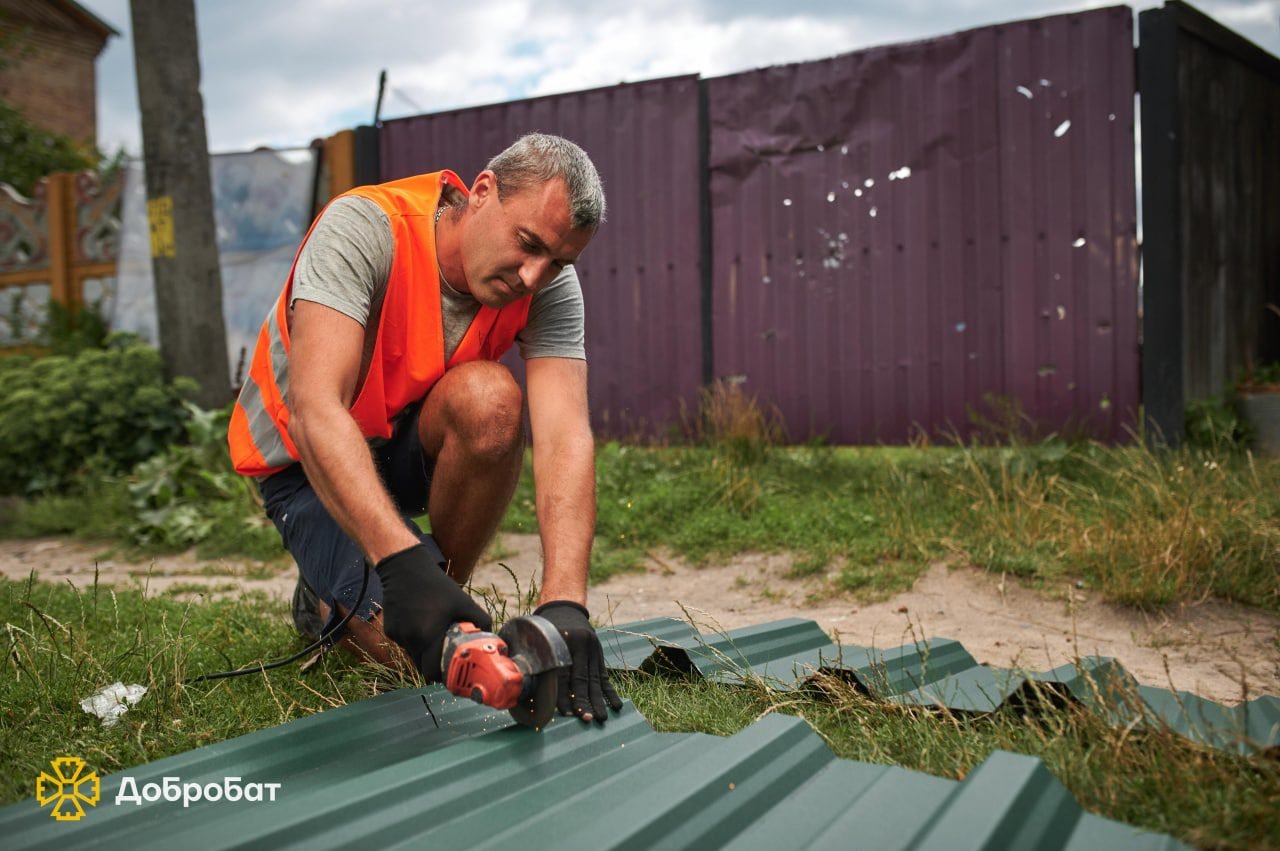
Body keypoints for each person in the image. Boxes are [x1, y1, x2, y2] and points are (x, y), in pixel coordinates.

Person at [227, 133, 622, 724]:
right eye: (528, 244)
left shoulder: (547, 283)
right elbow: (315, 410)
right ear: (482, 192)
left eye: (559, 261)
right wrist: (399, 564)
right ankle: (341, 600)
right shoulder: (363, 229)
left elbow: (566, 435)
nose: (535, 276)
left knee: (490, 400)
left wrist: (566, 604)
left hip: (404, 445)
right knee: (403, 661)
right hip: (308, 462)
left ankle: (435, 598)